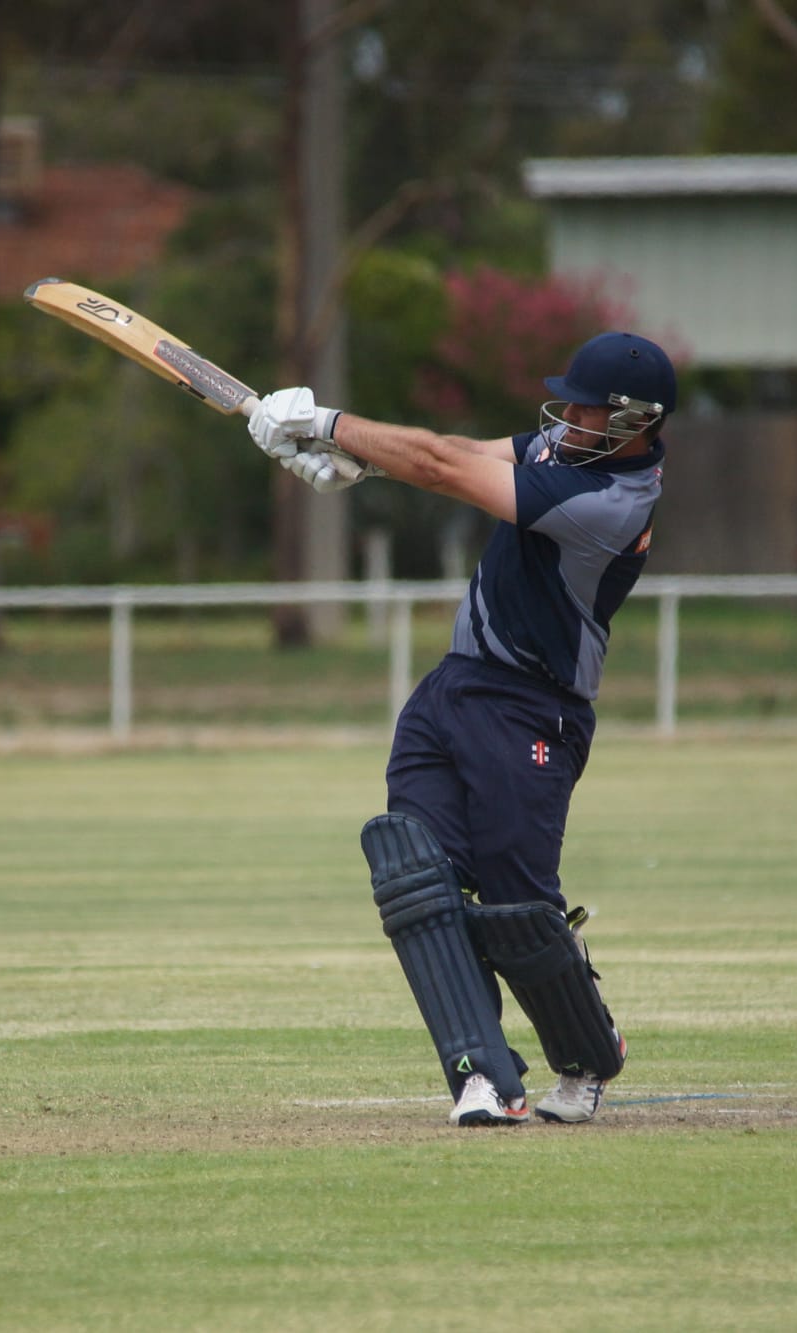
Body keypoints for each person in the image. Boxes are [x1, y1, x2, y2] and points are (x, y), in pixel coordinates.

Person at [246, 331, 676, 1126]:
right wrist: (352, 459)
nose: (567, 414)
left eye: (586, 404)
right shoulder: (565, 445)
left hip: (532, 708)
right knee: (415, 875)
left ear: (635, 422)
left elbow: (446, 471)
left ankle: (588, 1054)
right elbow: (449, 450)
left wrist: (329, 421)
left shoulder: (612, 502)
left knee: (517, 908)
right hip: (453, 687)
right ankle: (483, 1075)